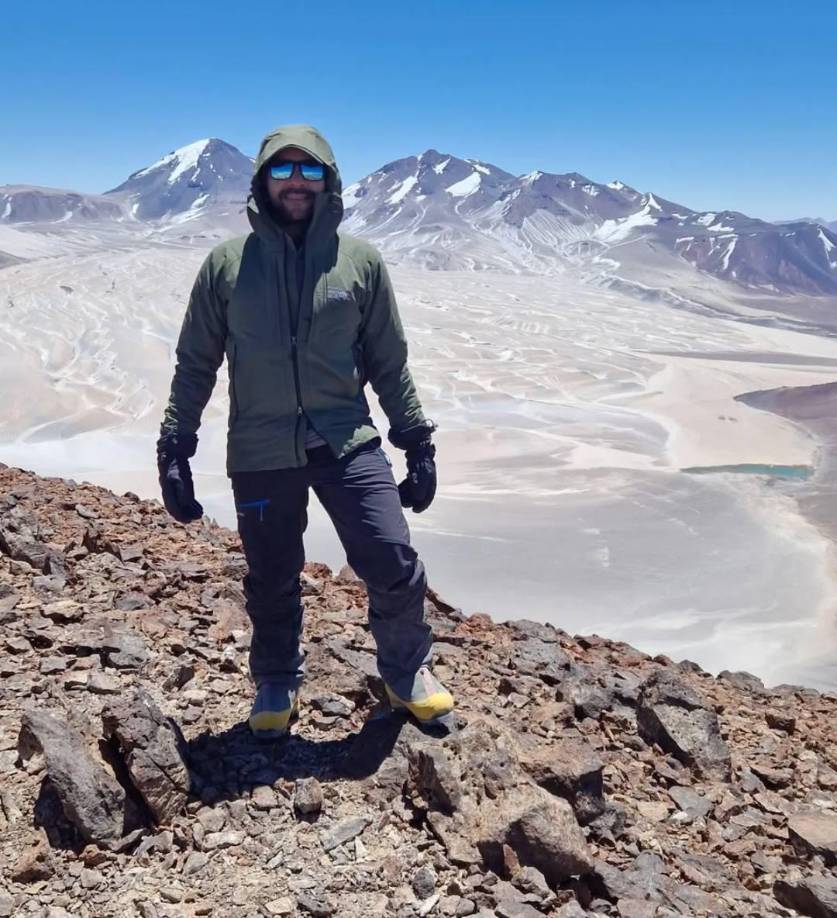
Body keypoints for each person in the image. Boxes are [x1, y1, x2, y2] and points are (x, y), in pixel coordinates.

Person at [156, 124, 454, 739]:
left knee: (391, 557)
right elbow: (195, 362)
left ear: (329, 180)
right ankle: (275, 680)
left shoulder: (359, 262)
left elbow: (388, 361)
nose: (296, 181)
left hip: (347, 441)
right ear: (262, 180)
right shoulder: (227, 265)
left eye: (310, 169)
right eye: (283, 169)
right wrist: (175, 444)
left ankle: (405, 673)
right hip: (261, 450)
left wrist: (416, 440)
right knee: (271, 575)